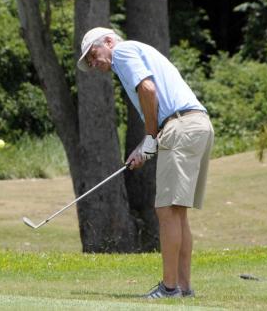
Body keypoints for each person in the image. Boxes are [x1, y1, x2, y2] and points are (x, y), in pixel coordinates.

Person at [77, 27, 214, 299]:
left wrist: (151, 137)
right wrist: (146, 145)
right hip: (193, 124)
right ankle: (183, 289)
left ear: (108, 41)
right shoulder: (137, 52)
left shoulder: (123, 51)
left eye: (93, 55)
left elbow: (148, 89)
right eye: (89, 62)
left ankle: (169, 288)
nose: (94, 63)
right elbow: (157, 107)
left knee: (166, 211)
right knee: (177, 212)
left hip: (181, 126)